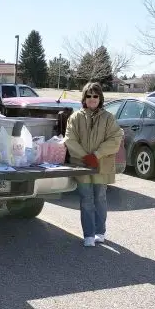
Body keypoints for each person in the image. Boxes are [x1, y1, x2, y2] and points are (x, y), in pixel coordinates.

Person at [64, 82, 123, 247]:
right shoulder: (75, 117)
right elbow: (69, 139)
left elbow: (115, 139)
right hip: (82, 165)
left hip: (101, 166)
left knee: (100, 198)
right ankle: (88, 234)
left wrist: (96, 155)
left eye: (95, 96)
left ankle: (100, 232)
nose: (92, 99)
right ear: (84, 98)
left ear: (100, 98)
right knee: (86, 199)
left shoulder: (108, 118)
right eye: (88, 96)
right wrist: (85, 156)